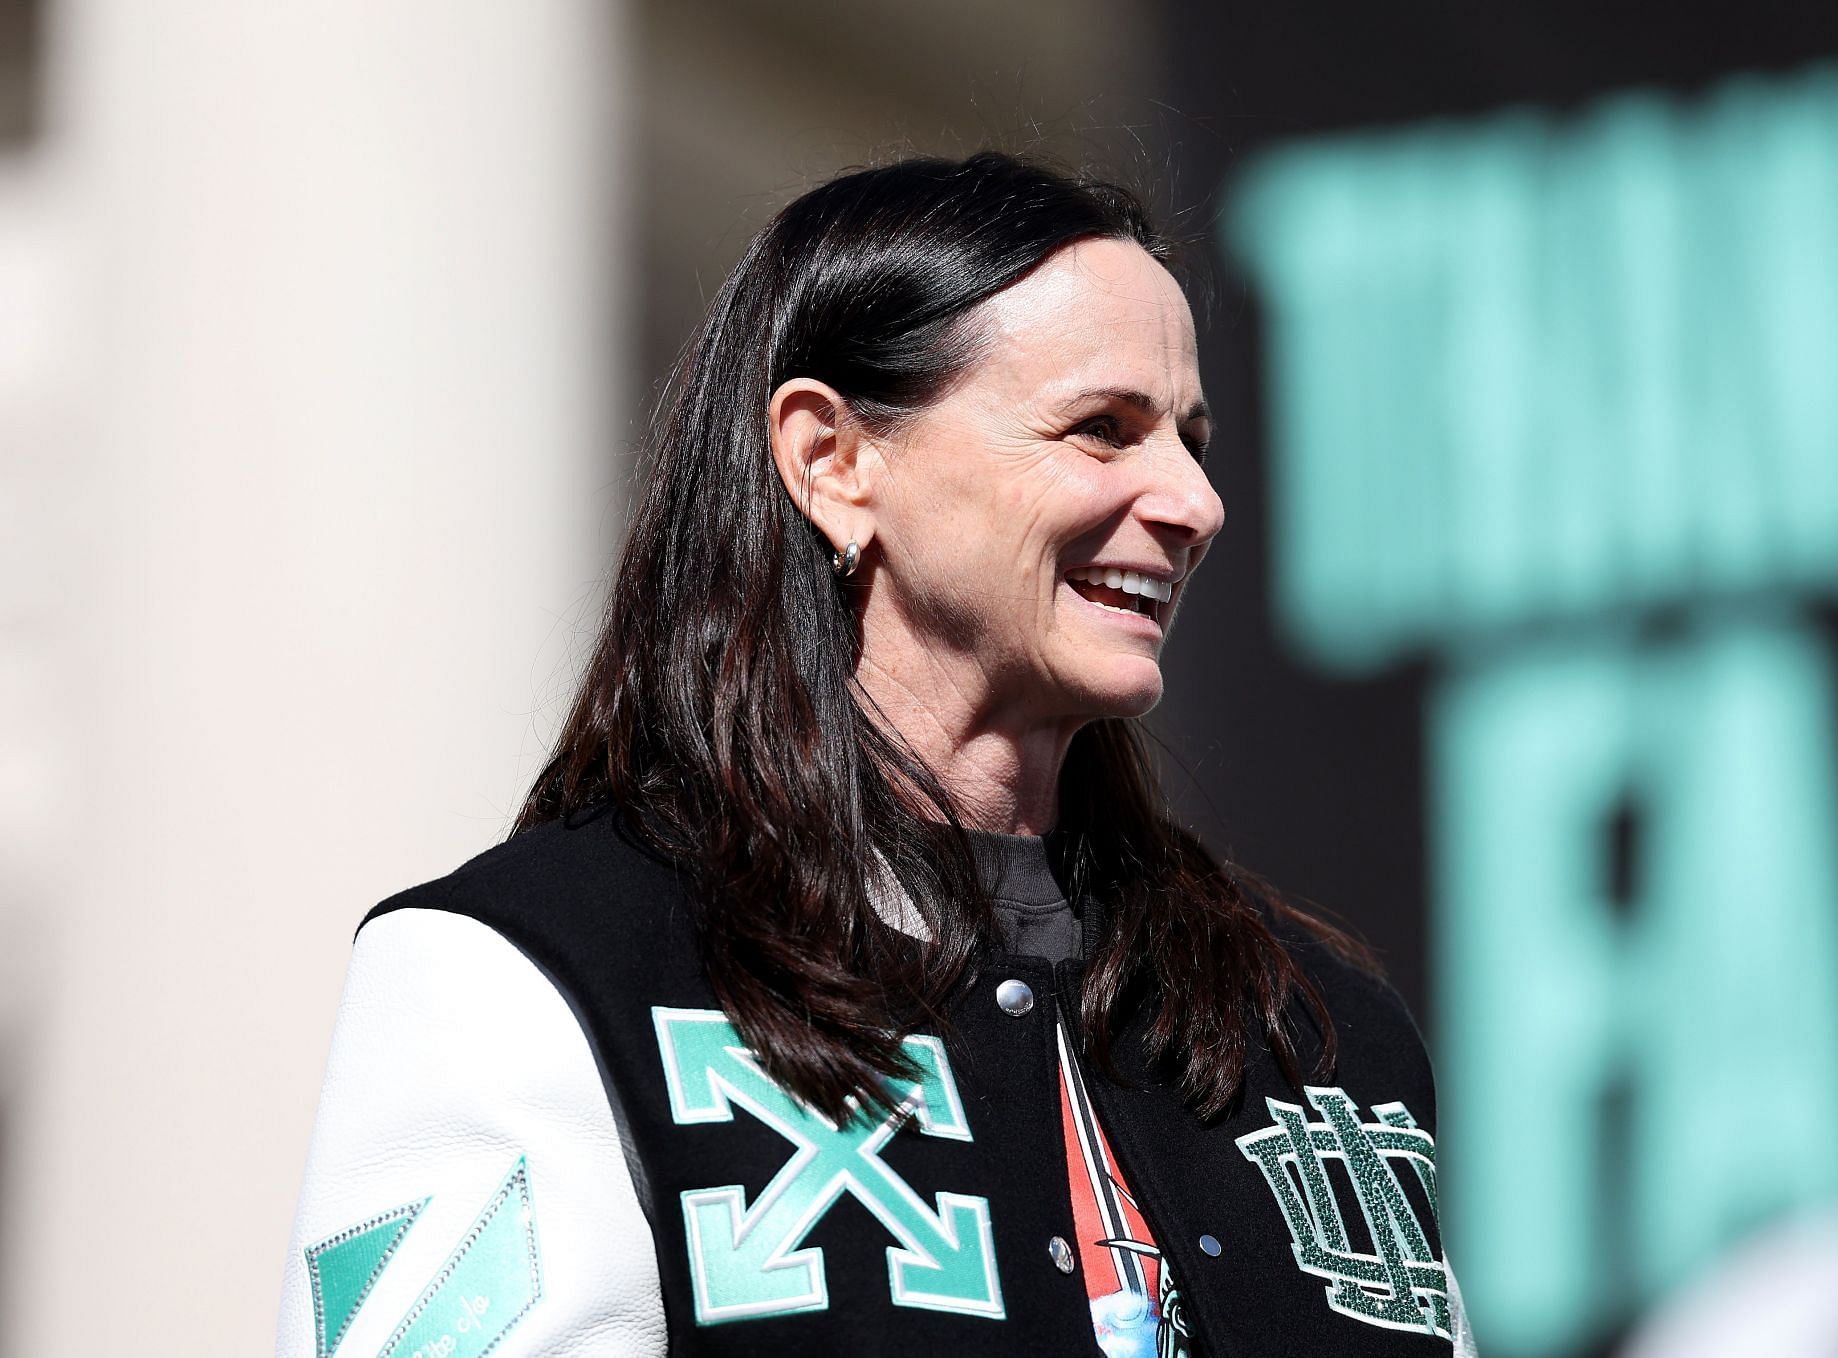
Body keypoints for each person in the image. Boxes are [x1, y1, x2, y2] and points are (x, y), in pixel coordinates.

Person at [275, 151, 1474, 1358]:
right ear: (834, 459)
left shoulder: (1319, 1038)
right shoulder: (538, 973)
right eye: (1102, 430)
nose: (1193, 500)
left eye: (1191, 438)